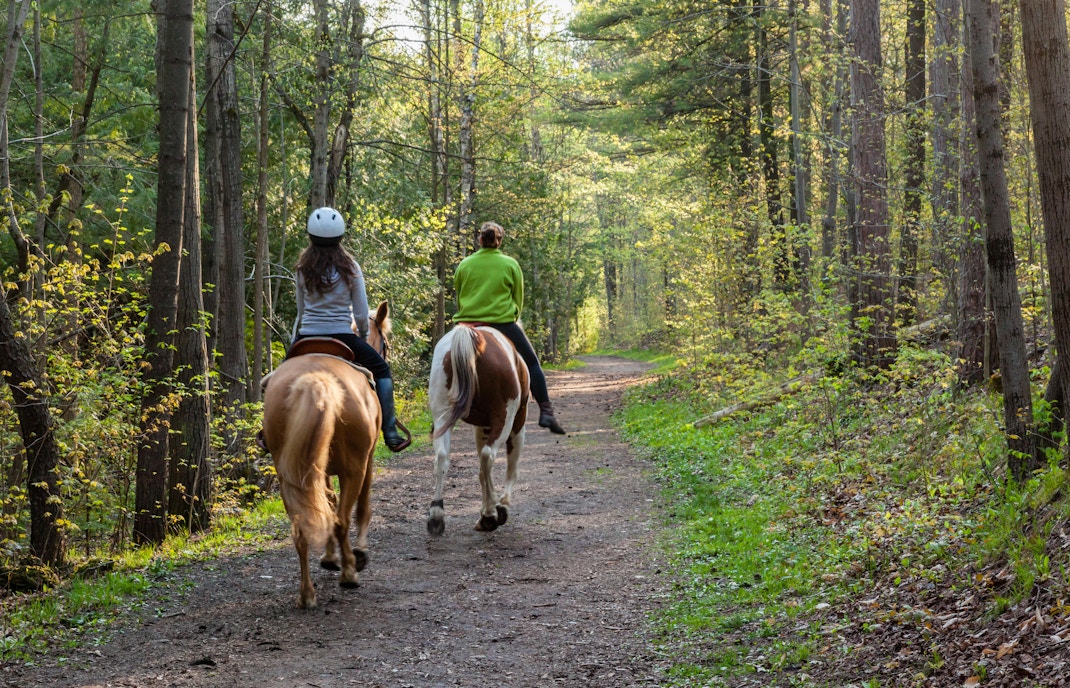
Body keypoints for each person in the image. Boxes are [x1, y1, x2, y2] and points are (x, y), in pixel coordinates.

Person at [288, 206, 411, 452]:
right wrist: (363, 337)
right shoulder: (351, 268)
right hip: (342, 336)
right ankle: (390, 431)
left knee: (278, 379)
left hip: (307, 336)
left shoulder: (302, 269)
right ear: (340, 237)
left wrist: (294, 343)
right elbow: (361, 314)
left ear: (311, 237)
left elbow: (300, 313)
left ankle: (270, 431)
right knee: (383, 371)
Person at [453, 220, 566, 435]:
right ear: (499, 241)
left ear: (479, 240)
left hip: (467, 323)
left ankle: (438, 414)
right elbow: (518, 300)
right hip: (502, 323)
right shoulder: (510, 264)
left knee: (443, 359)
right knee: (532, 362)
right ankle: (546, 410)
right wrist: (511, 316)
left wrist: (468, 316)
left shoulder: (464, 264)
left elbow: (460, 296)